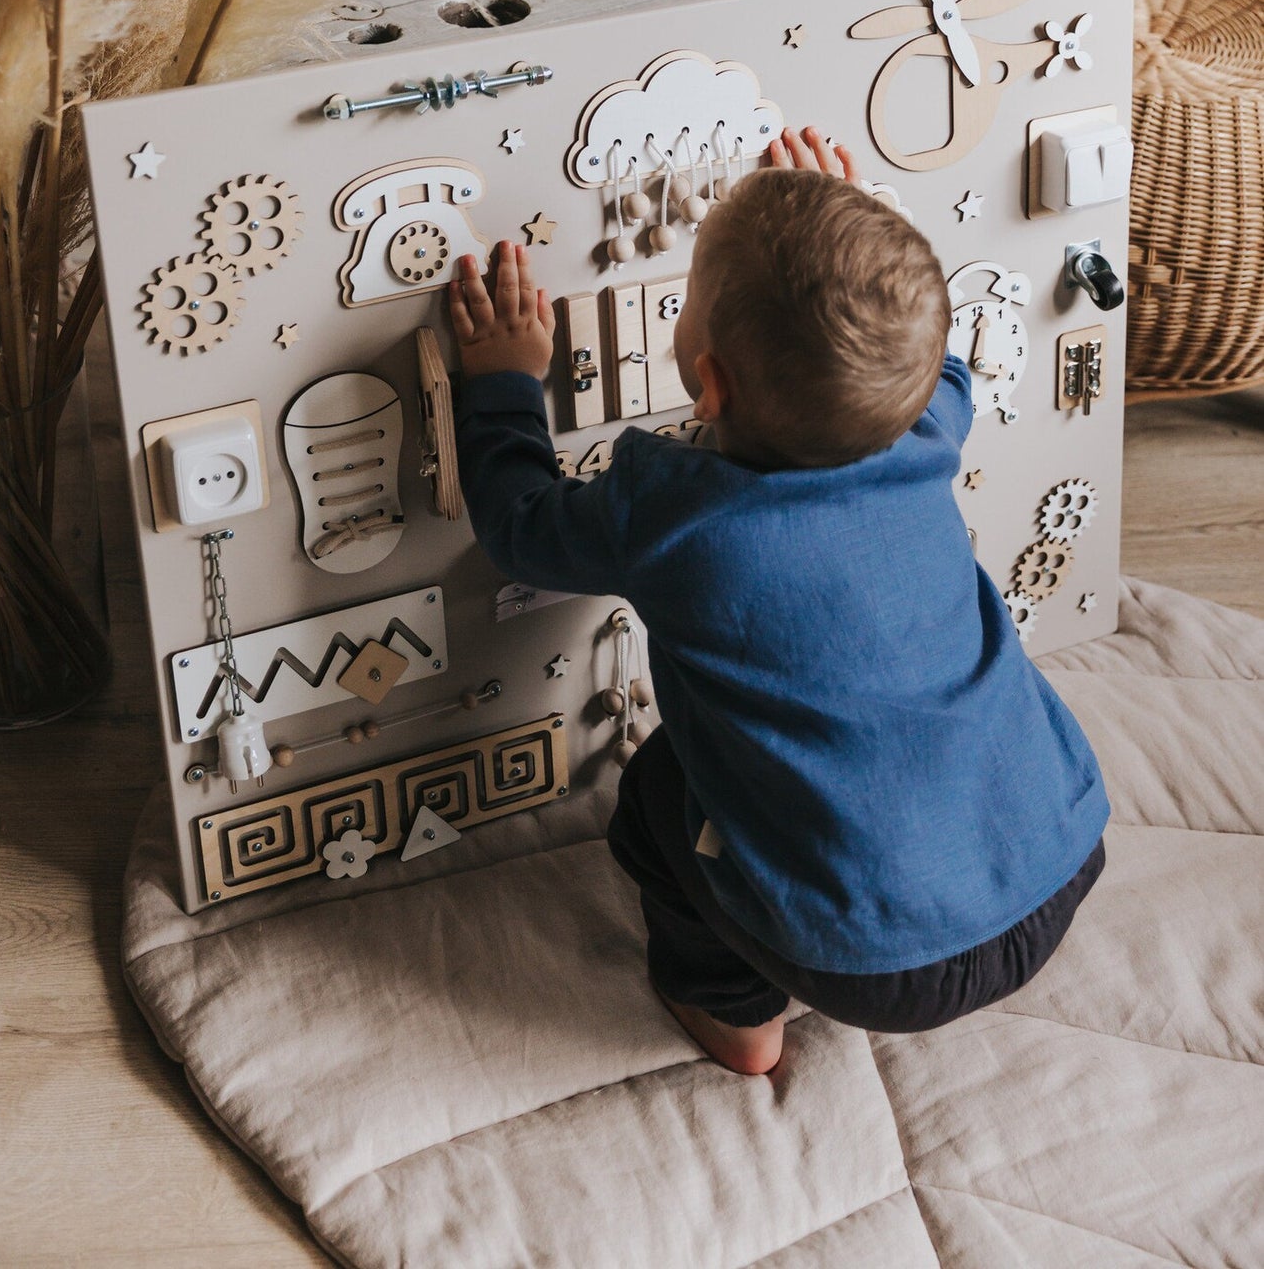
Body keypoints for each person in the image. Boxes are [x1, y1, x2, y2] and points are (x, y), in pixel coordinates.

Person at [448, 125, 1108, 1075]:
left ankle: (731, 1012)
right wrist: (859, 232)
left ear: (706, 382)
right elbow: (943, 360)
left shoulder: (666, 512)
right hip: (1056, 860)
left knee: (657, 793)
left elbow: (519, 523)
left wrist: (505, 382)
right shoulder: (927, 424)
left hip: (874, 972)